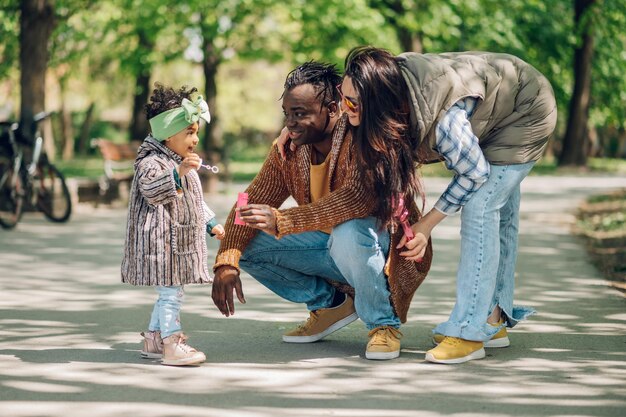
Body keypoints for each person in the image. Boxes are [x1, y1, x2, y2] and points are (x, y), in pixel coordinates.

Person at [337, 46, 557, 364]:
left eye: (352, 103)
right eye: (341, 97)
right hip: (498, 106)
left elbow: (474, 173)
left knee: (482, 208)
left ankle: (469, 332)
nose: (345, 109)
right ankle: (491, 321)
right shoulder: (387, 85)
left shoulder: (444, 122)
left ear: (379, 102)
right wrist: (291, 131)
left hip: (526, 110)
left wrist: (425, 225)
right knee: (500, 210)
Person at [211, 61, 432, 360]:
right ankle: (330, 305)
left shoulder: (363, 136)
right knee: (243, 241)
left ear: (332, 109)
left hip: (386, 248)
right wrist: (227, 263)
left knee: (349, 229)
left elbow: (356, 198)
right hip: (328, 246)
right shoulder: (288, 149)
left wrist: (284, 220)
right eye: (287, 114)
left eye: (300, 113)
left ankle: (384, 324)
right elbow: (247, 202)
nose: (290, 123)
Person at [121, 83, 225, 366]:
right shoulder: (151, 162)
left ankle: (154, 339)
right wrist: (178, 172)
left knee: (170, 291)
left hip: (176, 243)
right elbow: (152, 189)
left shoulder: (180, 162)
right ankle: (171, 343)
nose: (195, 139)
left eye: (196, 133)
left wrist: (211, 222)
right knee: (171, 294)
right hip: (161, 243)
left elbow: (192, 201)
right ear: (167, 135)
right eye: (189, 132)